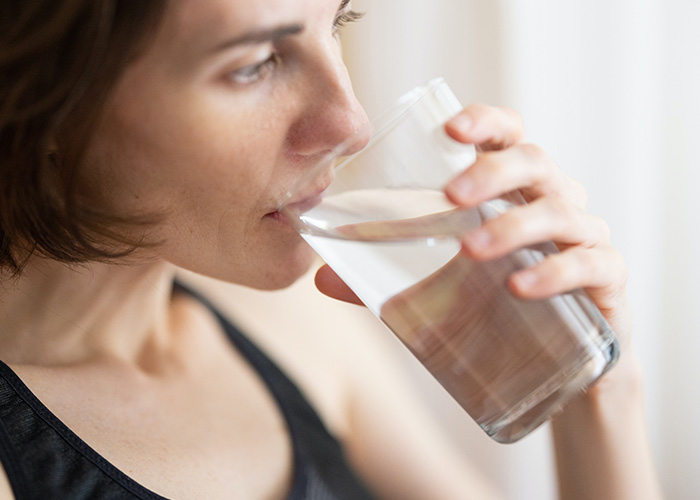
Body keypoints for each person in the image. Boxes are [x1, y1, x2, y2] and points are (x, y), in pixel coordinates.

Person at [0, 1, 664, 499]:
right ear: (42, 100)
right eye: (254, 63)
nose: (351, 122)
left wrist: (599, 387)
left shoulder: (296, 325)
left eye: (338, 20)